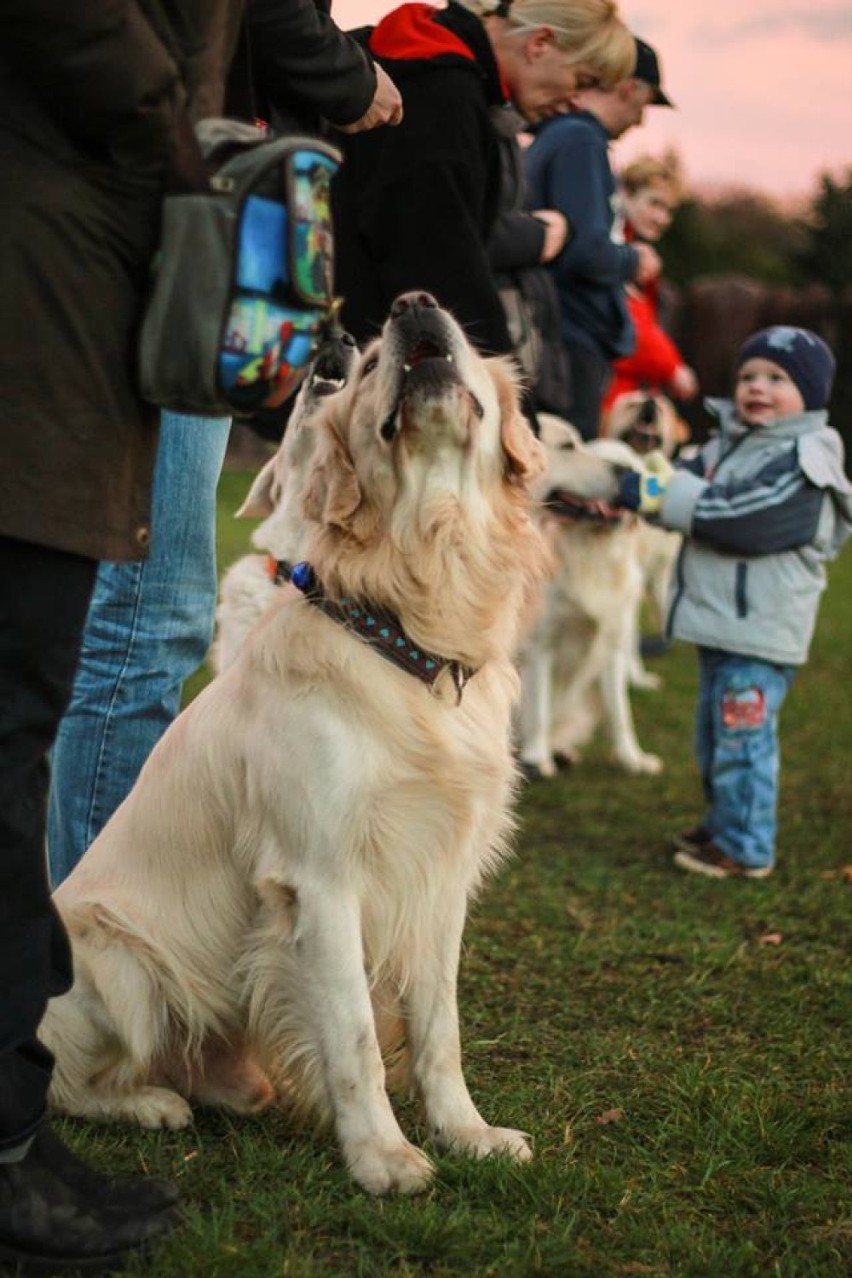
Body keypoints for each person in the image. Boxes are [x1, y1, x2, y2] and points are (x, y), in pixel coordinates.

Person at [47, 1, 404, 888]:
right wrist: (350, 77)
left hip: (129, 242)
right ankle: (98, 931)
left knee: (102, 615)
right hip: (171, 248)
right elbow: (271, 18)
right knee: (145, 619)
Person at [0, 2, 248, 1272]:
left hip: (84, 278)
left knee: (92, 661)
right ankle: (49, 1061)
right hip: (63, 287)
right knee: (108, 653)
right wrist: (189, 162)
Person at [616, 326, 852, 879]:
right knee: (715, 734)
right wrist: (640, 487)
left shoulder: (806, 459)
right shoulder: (726, 446)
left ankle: (747, 845)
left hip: (761, 632)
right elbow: (674, 482)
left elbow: (741, 518)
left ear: (811, 396)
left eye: (777, 379)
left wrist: (659, 497)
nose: (757, 388)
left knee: (744, 739)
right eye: (748, 376)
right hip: (724, 627)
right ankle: (725, 819)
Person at [333, 0, 635, 364]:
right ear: (539, 43)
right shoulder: (443, 95)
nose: (576, 103)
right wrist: (503, 392)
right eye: (582, 82)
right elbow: (439, 262)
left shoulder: (437, 73)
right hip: (355, 364)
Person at [524, 35, 672, 438]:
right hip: (571, 341)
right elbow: (585, 251)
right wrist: (634, 260)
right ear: (628, 88)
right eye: (644, 105)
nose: (641, 120)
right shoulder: (581, 139)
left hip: (559, 334)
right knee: (565, 481)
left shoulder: (559, 135)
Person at [602, 152, 699, 415]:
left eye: (668, 210)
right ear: (626, 194)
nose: (662, 218)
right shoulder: (616, 249)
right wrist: (672, 367)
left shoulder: (631, 249)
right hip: (608, 395)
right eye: (654, 204)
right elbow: (628, 324)